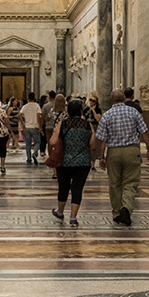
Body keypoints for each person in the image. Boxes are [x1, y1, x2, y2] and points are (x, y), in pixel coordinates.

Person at [94, 88, 149, 227]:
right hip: (132, 151)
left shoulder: (107, 115)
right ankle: (126, 207)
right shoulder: (133, 112)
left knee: (114, 183)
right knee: (130, 182)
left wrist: (101, 157)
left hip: (114, 152)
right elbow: (144, 132)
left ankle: (117, 213)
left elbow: (102, 141)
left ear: (111, 100)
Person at [51, 99, 98, 228]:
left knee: (63, 187)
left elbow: (53, 142)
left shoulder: (63, 124)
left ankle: (60, 212)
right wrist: (90, 157)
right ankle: (73, 217)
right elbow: (93, 145)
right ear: (81, 111)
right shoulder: (88, 125)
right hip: (83, 162)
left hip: (64, 161)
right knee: (77, 189)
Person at [46, 93, 67, 179]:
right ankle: (63, 169)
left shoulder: (52, 110)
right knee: (64, 151)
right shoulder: (66, 111)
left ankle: (55, 172)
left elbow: (48, 118)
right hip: (65, 132)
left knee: (55, 151)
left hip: (55, 131)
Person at [20, 92, 44, 165]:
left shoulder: (25, 106)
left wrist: (23, 123)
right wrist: (40, 126)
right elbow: (39, 115)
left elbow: (19, 115)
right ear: (34, 98)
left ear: (28, 98)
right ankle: (35, 153)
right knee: (37, 142)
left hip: (27, 126)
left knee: (28, 144)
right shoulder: (36, 106)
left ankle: (29, 158)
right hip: (35, 127)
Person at [41, 91, 57, 156]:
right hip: (56, 126)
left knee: (49, 142)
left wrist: (43, 123)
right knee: (56, 142)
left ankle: (50, 156)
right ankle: (56, 154)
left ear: (49, 97)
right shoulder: (57, 105)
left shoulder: (46, 106)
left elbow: (42, 116)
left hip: (48, 126)